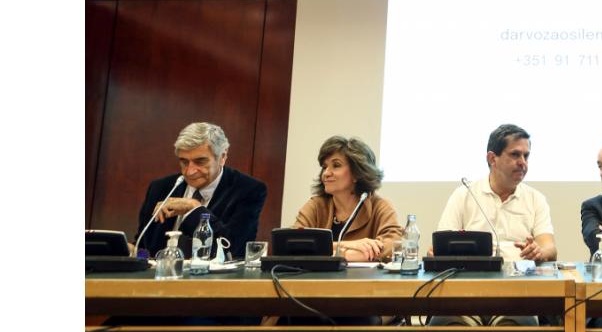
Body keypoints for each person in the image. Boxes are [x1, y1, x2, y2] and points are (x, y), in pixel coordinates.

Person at [135, 122, 267, 259]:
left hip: (214, 279)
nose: (189, 172)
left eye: (200, 161)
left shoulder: (248, 190)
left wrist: (194, 208)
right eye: (184, 162)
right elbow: (143, 247)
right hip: (160, 275)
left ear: (222, 157)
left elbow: (232, 249)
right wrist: (127, 251)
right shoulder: (162, 188)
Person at [437, 124, 557, 263]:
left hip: (521, 279)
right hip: (475, 277)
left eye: (526, 156)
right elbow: (441, 245)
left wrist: (539, 252)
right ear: (492, 159)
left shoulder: (536, 198)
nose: (523, 162)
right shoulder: (464, 195)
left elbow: (550, 247)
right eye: (515, 155)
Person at [293, 136, 402, 262]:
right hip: (319, 281)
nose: (326, 173)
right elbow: (292, 243)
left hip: (361, 281)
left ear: (357, 173)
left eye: (336, 165)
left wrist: (341, 255)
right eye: (324, 166)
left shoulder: (379, 206)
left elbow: (393, 245)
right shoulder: (316, 206)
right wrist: (348, 245)